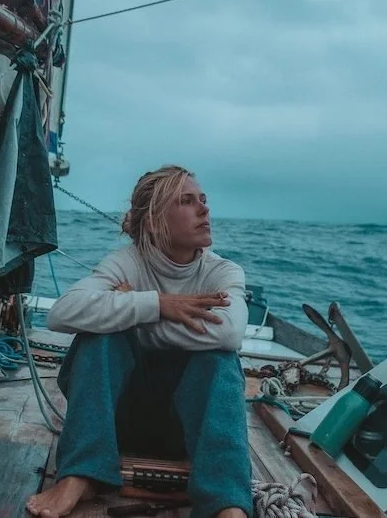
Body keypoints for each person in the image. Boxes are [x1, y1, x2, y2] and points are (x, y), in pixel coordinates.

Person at [26, 165, 252, 518]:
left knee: (220, 359)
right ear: (154, 221)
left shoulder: (222, 272)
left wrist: (131, 315)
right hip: (115, 423)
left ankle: (228, 504)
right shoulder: (127, 263)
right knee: (99, 338)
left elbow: (229, 332)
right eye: (187, 201)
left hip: (185, 429)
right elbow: (61, 313)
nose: (205, 209)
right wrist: (157, 304)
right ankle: (80, 474)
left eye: (203, 199)